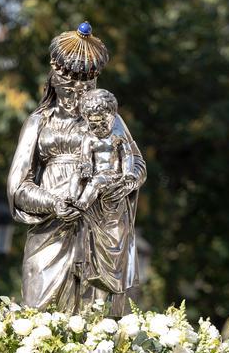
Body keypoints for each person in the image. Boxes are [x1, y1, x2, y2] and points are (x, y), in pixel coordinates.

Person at [8, 22, 146, 315]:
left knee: (98, 321)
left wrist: (130, 179)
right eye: (71, 86)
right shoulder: (39, 123)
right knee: (38, 314)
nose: (78, 95)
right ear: (55, 79)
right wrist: (54, 203)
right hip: (52, 224)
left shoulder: (108, 120)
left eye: (86, 86)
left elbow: (135, 159)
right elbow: (18, 186)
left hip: (102, 222)